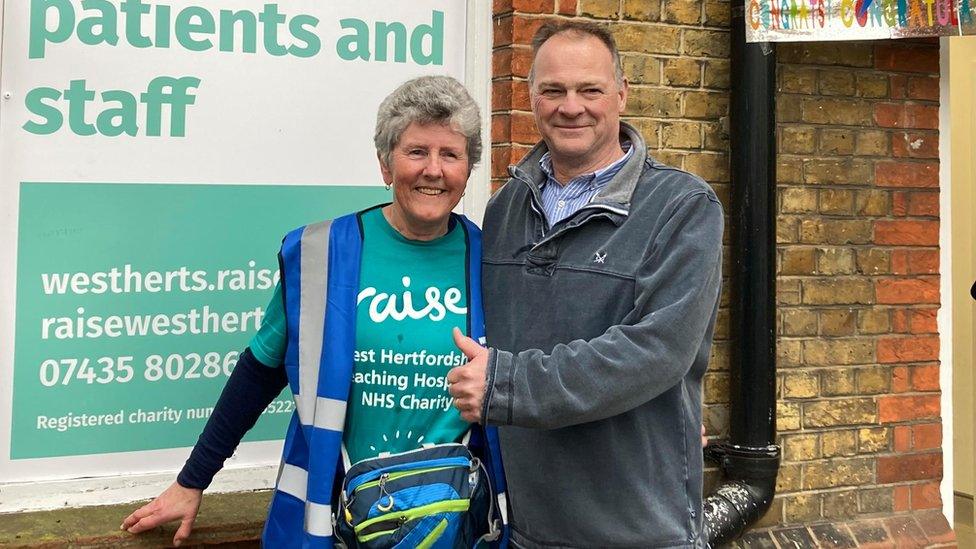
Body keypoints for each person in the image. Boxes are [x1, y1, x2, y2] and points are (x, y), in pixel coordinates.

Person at [122, 76, 507, 548]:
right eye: (416, 152)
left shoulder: (494, 262)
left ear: (468, 169)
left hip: (453, 520)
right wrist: (192, 480)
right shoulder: (323, 254)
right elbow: (259, 372)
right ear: (386, 165)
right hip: (336, 513)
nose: (434, 170)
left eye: (450, 154)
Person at [447, 21, 724, 548]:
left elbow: (659, 350)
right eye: (552, 90)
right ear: (531, 97)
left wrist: (508, 385)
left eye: (589, 89)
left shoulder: (682, 207)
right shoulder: (506, 208)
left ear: (621, 93)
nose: (570, 106)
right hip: (526, 527)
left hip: (639, 530)